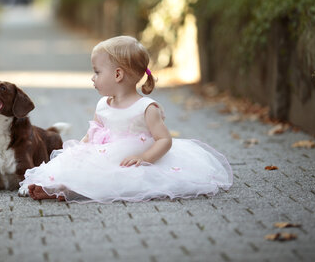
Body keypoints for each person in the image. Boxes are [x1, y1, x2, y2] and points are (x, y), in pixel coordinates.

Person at [20, 36, 233, 203]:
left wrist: (145, 158)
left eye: (97, 72)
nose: (92, 77)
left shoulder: (146, 108)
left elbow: (164, 140)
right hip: (103, 155)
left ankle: (64, 191)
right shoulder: (103, 105)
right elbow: (93, 132)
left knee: (111, 179)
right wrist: (78, 151)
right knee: (78, 166)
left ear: (118, 75)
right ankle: (57, 185)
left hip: (131, 159)